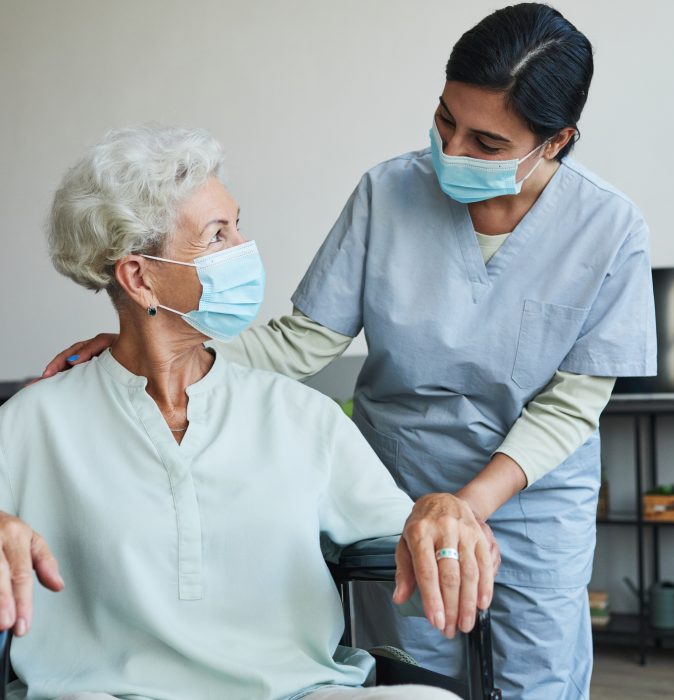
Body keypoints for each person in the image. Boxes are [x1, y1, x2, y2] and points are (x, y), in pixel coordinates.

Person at [19, 3, 658, 698]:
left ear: (556, 142)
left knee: (539, 677)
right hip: (397, 476)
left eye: (487, 142)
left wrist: (468, 504)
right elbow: (306, 339)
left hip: (532, 493)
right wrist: (146, 352)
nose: (453, 150)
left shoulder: (609, 227)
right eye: (446, 120)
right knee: (422, 661)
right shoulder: (388, 192)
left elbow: (574, 402)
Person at [0, 124, 482, 700]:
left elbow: (407, 530)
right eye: (216, 234)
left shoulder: (303, 416)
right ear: (138, 276)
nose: (245, 249)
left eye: (237, 224)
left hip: (297, 692)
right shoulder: (32, 422)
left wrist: (438, 510)